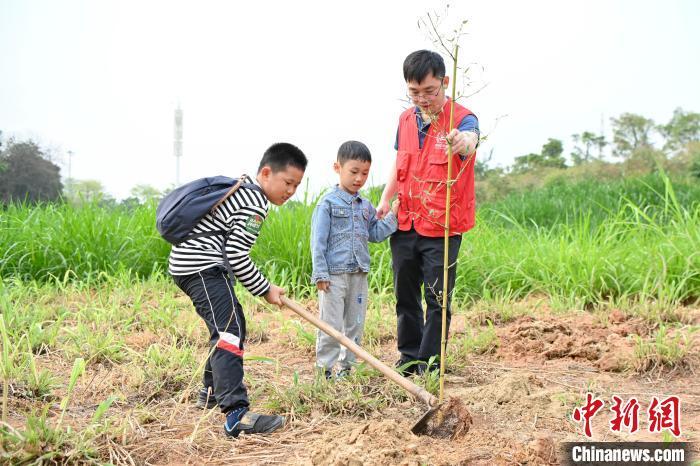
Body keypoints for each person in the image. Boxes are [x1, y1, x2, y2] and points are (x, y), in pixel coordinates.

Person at [169, 142, 307, 437]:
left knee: (229, 325)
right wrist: (265, 289)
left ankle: (210, 392)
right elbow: (237, 255)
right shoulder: (255, 204)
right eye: (288, 182)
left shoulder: (242, 189)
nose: (291, 191)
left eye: (297, 185)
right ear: (266, 173)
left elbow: (231, 254)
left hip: (194, 266)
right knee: (229, 330)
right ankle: (236, 415)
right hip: (201, 267)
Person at [375, 50, 480, 375]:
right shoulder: (406, 119)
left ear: (445, 83)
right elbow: (400, 161)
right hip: (405, 220)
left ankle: (431, 363)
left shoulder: (462, 119)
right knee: (405, 295)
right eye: (414, 92)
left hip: (442, 226)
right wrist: (384, 198)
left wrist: (461, 141)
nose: (422, 99)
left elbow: (471, 141)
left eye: (430, 91)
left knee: (438, 299)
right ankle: (409, 357)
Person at [311, 141, 398, 379]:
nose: (359, 178)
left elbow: (376, 234)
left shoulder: (365, 206)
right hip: (334, 275)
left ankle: (346, 369)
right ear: (337, 168)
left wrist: (393, 216)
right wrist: (320, 273)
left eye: (365, 173)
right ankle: (325, 371)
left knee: (355, 324)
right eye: (354, 172)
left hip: (358, 273)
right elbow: (317, 241)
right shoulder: (327, 203)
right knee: (330, 325)